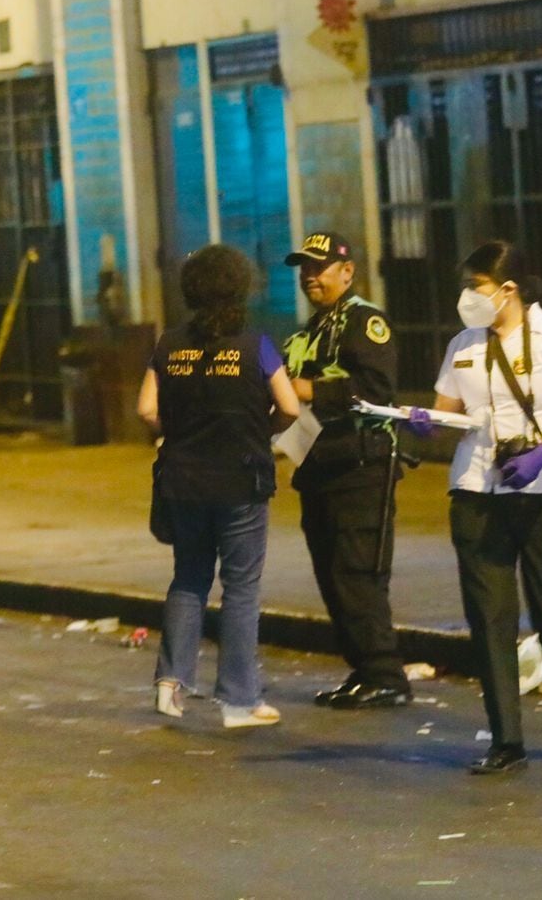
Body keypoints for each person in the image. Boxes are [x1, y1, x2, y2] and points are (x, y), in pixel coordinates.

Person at [427, 240, 542, 775]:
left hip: (537, 489)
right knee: (488, 619)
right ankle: (507, 739)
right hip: (475, 489)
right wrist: (422, 420)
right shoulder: (463, 343)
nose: (467, 296)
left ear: (507, 289)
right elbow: (446, 410)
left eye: (475, 286)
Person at [138, 244, 301, 727]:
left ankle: (170, 686)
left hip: (183, 480)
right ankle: (239, 700)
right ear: (241, 290)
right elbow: (290, 408)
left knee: (188, 579)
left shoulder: (168, 344)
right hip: (241, 480)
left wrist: (179, 432)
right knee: (241, 588)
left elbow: (146, 409)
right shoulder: (257, 346)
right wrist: (261, 432)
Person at [281, 231, 413, 709]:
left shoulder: (365, 322)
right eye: (304, 269)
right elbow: (287, 400)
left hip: (363, 464)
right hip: (317, 467)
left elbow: (377, 389)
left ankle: (387, 675)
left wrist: (308, 389)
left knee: (358, 572)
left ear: (347, 271)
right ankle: (362, 670)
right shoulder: (304, 335)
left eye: (319, 267)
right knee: (330, 574)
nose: (310, 276)